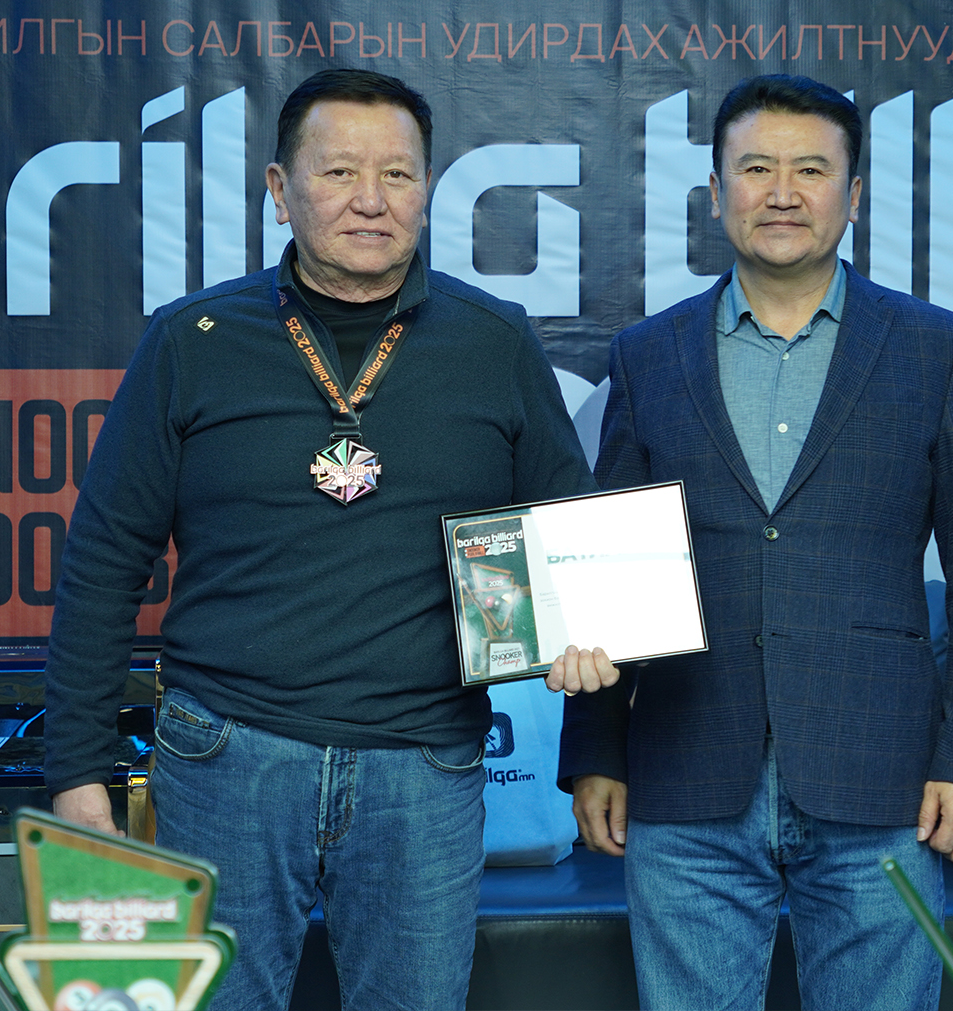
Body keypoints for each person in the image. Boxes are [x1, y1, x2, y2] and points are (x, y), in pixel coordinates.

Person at [44, 68, 604, 1011]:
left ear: (428, 189)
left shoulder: (494, 342)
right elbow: (102, 566)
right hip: (226, 758)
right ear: (279, 188)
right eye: (340, 171)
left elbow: (569, 539)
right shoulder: (192, 340)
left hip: (424, 769)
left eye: (398, 174)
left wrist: (585, 632)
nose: (371, 200)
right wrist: (77, 770)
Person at [554, 74, 953, 1010]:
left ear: (854, 195)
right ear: (716, 191)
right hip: (686, 774)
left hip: (881, 780)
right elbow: (602, 567)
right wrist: (596, 750)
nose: (782, 192)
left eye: (811, 170)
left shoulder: (935, 350)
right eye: (756, 168)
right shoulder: (648, 353)